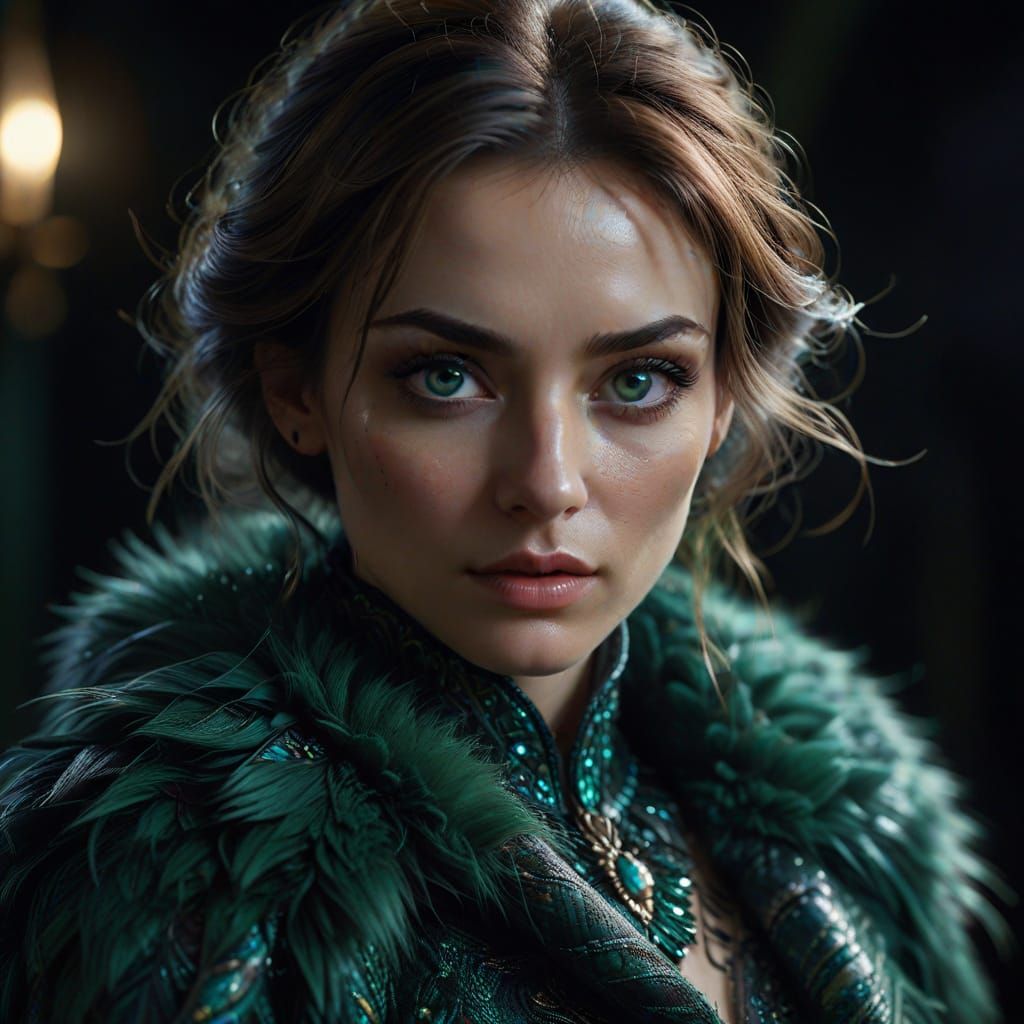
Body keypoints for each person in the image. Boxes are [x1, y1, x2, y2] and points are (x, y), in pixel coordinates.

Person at [0, 0, 1012, 1021]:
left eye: (636, 381)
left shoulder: (858, 831)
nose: (546, 478)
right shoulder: (181, 898)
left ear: (722, 403)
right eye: (445, 376)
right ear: (294, 390)